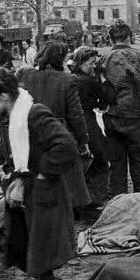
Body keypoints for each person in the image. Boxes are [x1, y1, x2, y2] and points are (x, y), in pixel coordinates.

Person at [0, 68, 78, 280]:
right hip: (25, 192)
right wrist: (9, 166)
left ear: (4, 95)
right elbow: (12, 149)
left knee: (41, 258)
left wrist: (40, 172)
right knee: (24, 251)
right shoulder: (10, 116)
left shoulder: (33, 114)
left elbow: (66, 147)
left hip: (43, 194)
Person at [18, 40, 93, 210]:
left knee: (40, 174)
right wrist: (83, 141)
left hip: (32, 133)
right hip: (59, 132)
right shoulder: (67, 79)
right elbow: (76, 115)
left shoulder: (28, 76)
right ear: (60, 59)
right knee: (67, 178)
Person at [99, 20, 140, 197]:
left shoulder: (103, 59)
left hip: (111, 114)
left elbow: (98, 88)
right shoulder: (139, 57)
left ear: (111, 39)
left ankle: (119, 200)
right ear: (128, 37)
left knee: (116, 161)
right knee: (138, 157)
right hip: (133, 114)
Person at [71, 46, 115, 206]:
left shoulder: (72, 78)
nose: (93, 66)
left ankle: (84, 198)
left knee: (84, 162)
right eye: (90, 63)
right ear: (81, 63)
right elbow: (108, 97)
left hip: (75, 121)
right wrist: (102, 77)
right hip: (87, 120)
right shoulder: (88, 81)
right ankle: (96, 199)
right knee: (101, 157)